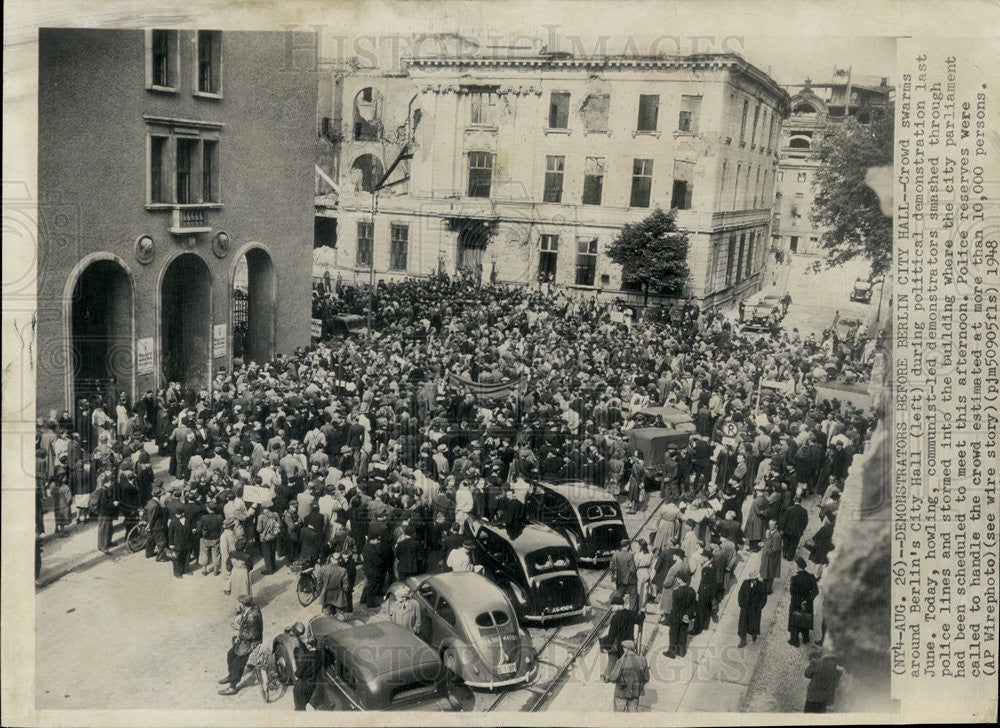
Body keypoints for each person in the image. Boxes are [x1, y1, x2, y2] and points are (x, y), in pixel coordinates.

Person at [218, 594, 263, 695]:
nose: (237, 605)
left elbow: (253, 635)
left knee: (238, 663)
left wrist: (238, 630)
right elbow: (245, 618)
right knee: (230, 654)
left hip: (250, 642)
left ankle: (232, 686)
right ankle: (231, 676)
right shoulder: (249, 610)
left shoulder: (252, 617)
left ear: (243, 605)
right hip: (245, 639)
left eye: (238, 603)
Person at [599, 593, 642, 681]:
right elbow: (640, 620)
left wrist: (604, 644)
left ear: (618, 606)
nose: (612, 608)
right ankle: (611, 674)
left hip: (618, 645)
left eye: (613, 606)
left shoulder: (615, 618)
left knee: (612, 656)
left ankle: (608, 676)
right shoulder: (631, 613)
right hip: (628, 644)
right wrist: (643, 613)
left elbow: (612, 635)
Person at [608, 639, 649, 712]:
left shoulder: (621, 661)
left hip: (621, 693)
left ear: (626, 649)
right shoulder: (643, 660)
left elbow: (613, 678)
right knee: (632, 718)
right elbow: (646, 678)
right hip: (635, 693)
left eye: (623, 648)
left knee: (618, 717)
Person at [663, 573, 696, 658]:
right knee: (683, 633)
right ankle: (681, 652)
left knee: (673, 634)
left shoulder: (676, 591)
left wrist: (674, 616)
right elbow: (692, 606)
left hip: (676, 616)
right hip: (686, 617)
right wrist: (687, 615)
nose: (677, 580)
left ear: (680, 580)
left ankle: (671, 652)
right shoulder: (692, 591)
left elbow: (675, 607)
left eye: (678, 578)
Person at [788, 557, 819, 646]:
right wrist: (807, 600)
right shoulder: (811, 577)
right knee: (805, 619)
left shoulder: (794, 579)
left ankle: (795, 640)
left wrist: (800, 601)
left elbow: (793, 593)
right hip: (808, 604)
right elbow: (815, 591)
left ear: (798, 567)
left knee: (795, 620)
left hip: (796, 604)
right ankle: (805, 638)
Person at [803, 647, 843, 712]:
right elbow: (836, 685)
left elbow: (807, 674)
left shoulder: (816, 662)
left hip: (812, 696)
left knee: (807, 715)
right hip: (824, 699)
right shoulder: (837, 669)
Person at [737, 571, 768, 647]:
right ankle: (743, 639)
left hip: (755, 609)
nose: (754, 581)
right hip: (745, 607)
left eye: (755, 579)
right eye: (752, 580)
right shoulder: (745, 583)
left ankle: (754, 634)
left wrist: (759, 607)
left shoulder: (762, 586)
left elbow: (764, 599)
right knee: (743, 624)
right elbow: (740, 594)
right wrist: (742, 604)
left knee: (754, 623)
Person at [315, 552, 351, 617]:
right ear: (339, 560)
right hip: (339, 595)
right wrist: (345, 592)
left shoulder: (323, 569)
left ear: (331, 559)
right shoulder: (343, 571)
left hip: (326, 594)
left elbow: (319, 583)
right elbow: (346, 586)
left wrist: (320, 592)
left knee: (326, 615)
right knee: (340, 616)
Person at [609, 538, 639, 610]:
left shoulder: (616, 555)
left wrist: (614, 575)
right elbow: (633, 570)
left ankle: (616, 608)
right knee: (633, 596)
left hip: (620, 579)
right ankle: (632, 612)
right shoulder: (630, 556)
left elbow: (611, 567)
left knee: (619, 594)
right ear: (627, 546)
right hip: (630, 580)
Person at [779, 496, 809, 561]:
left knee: (786, 542)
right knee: (794, 544)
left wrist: (782, 529)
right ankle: (790, 557)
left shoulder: (789, 509)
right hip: (797, 531)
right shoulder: (804, 511)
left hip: (787, 530)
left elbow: (784, 520)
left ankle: (784, 553)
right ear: (800, 502)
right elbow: (805, 522)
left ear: (794, 501)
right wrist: (802, 529)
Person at [759, 519, 782, 593]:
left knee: (769, 575)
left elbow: (775, 549)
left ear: (776, 526)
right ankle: (764, 589)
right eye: (769, 524)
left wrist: (765, 547)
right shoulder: (771, 532)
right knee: (766, 575)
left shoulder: (777, 536)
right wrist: (764, 543)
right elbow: (768, 542)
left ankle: (767, 591)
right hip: (767, 558)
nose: (770, 526)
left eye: (772, 525)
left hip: (771, 559)